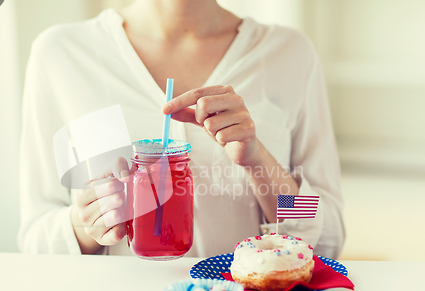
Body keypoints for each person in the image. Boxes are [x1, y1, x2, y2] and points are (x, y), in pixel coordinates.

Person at [18, 0, 345, 259]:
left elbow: (328, 233)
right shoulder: (61, 53)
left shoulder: (290, 54)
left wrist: (260, 162)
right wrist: (84, 222)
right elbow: (35, 237)